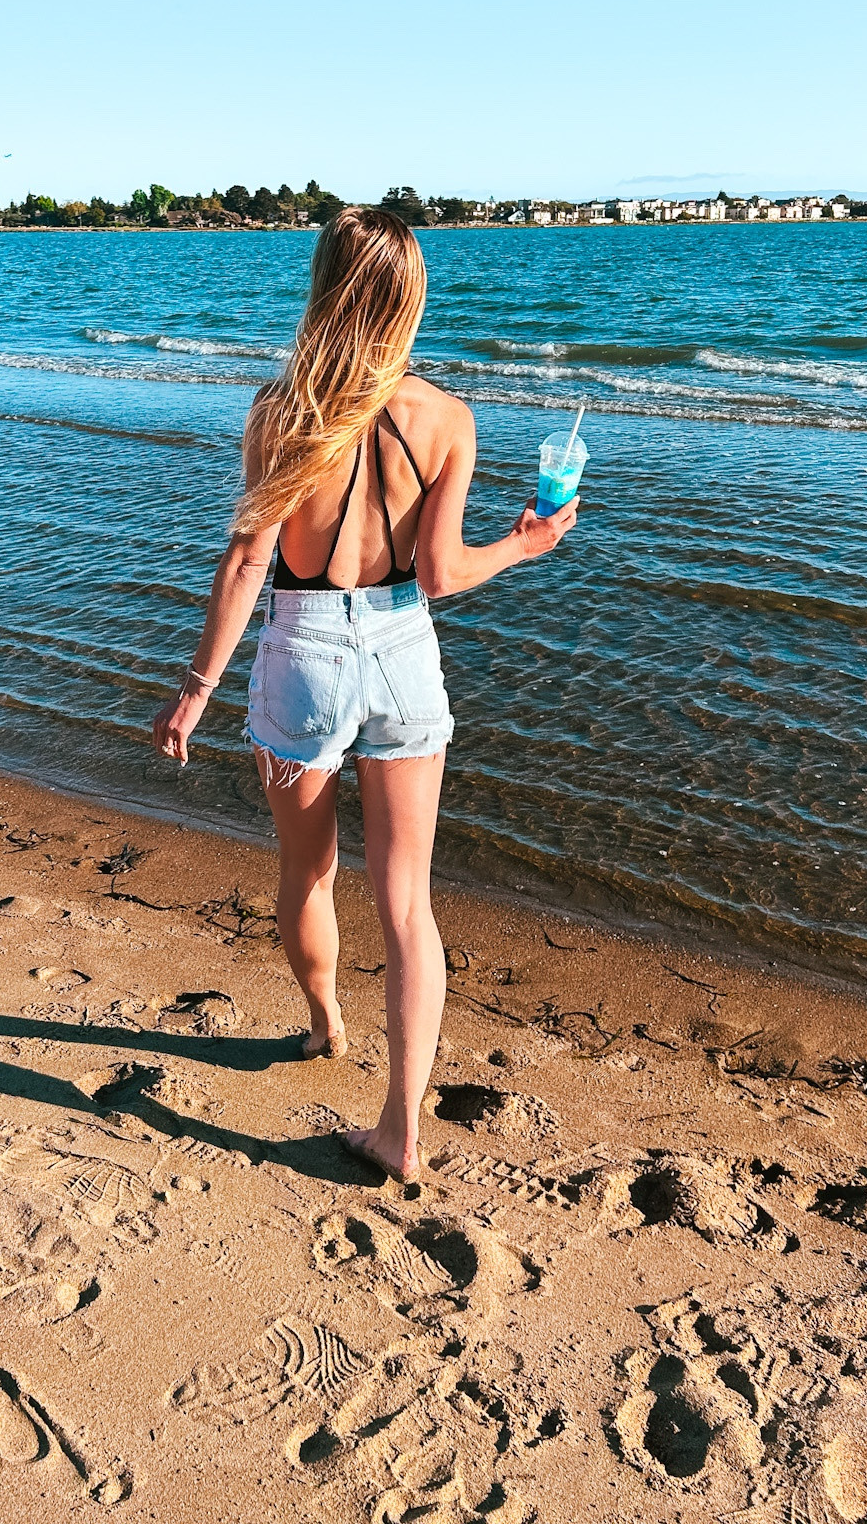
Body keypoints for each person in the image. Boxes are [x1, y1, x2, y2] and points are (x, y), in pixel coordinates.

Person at [151, 207, 578, 1183]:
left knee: (308, 875)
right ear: (409, 299)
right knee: (408, 905)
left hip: (302, 650)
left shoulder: (280, 411)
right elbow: (437, 572)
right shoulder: (447, 419)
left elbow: (249, 561)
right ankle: (400, 1129)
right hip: (400, 651)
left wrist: (195, 690)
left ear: (325, 288)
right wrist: (527, 542)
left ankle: (324, 1022)